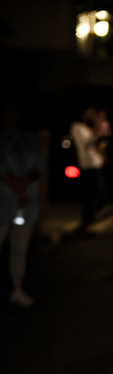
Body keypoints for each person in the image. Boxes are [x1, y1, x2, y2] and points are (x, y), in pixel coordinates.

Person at [0, 105, 44, 306]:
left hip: (26, 203)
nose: (11, 115)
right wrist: (16, 185)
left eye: (14, 111)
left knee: (20, 249)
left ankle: (17, 288)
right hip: (4, 202)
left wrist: (23, 184)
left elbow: (39, 167)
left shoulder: (29, 139)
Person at [70, 106, 110, 235]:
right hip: (88, 166)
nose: (92, 115)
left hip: (96, 164)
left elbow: (98, 143)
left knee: (99, 194)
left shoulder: (88, 128)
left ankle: (87, 222)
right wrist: (97, 128)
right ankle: (85, 224)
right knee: (93, 195)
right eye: (89, 113)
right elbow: (87, 142)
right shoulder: (77, 127)